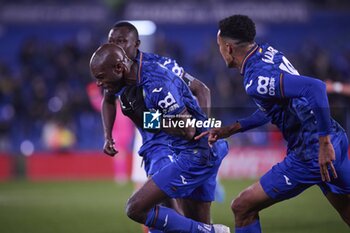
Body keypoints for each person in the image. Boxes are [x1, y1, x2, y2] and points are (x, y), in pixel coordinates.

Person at [196, 15, 350, 232]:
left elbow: (315, 88)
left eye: (219, 46)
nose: (219, 51)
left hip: (313, 150)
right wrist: (231, 129)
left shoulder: (256, 78)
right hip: (336, 138)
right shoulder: (266, 53)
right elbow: (274, 109)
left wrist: (323, 144)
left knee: (242, 207)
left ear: (228, 48)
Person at [90, 44, 230, 233]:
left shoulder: (156, 83)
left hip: (196, 152)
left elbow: (187, 128)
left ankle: (209, 231)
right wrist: (108, 135)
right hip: (189, 150)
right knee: (185, 215)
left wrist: (150, 119)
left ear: (119, 67)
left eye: (100, 77)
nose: (99, 83)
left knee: (138, 208)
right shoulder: (127, 80)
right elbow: (108, 100)